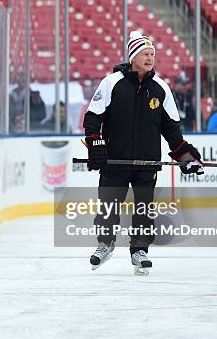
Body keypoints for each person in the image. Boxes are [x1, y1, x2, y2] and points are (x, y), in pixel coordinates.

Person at [83, 30, 203, 275]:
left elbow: (172, 129)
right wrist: (95, 143)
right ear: (133, 57)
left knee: (144, 208)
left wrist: (185, 157)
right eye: (145, 54)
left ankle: (140, 249)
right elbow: (93, 117)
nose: (150, 58)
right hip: (114, 160)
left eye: (153, 54)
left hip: (146, 162)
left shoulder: (161, 88)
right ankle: (105, 243)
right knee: (108, 204)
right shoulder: (111, 82)